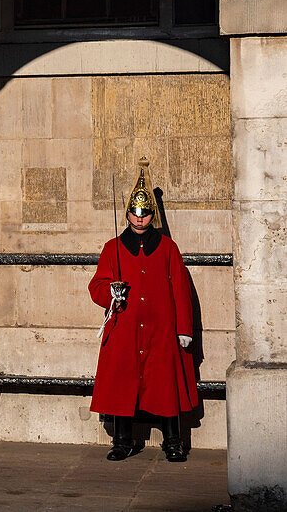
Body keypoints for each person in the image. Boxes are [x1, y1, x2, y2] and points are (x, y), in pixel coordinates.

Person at [89, 157, 198, 462]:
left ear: (152, 216)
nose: (140, 220)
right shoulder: (113, 248)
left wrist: (183, 329)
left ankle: (173, 440)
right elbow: (96, 285)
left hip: (161, 331)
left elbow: (180, 290)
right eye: (135, 214)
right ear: (127, 214)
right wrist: (111, 291)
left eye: (145, 214)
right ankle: (123, 440)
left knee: (166, 386)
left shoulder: (167, 248)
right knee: (122, 385)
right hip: (124, 329)